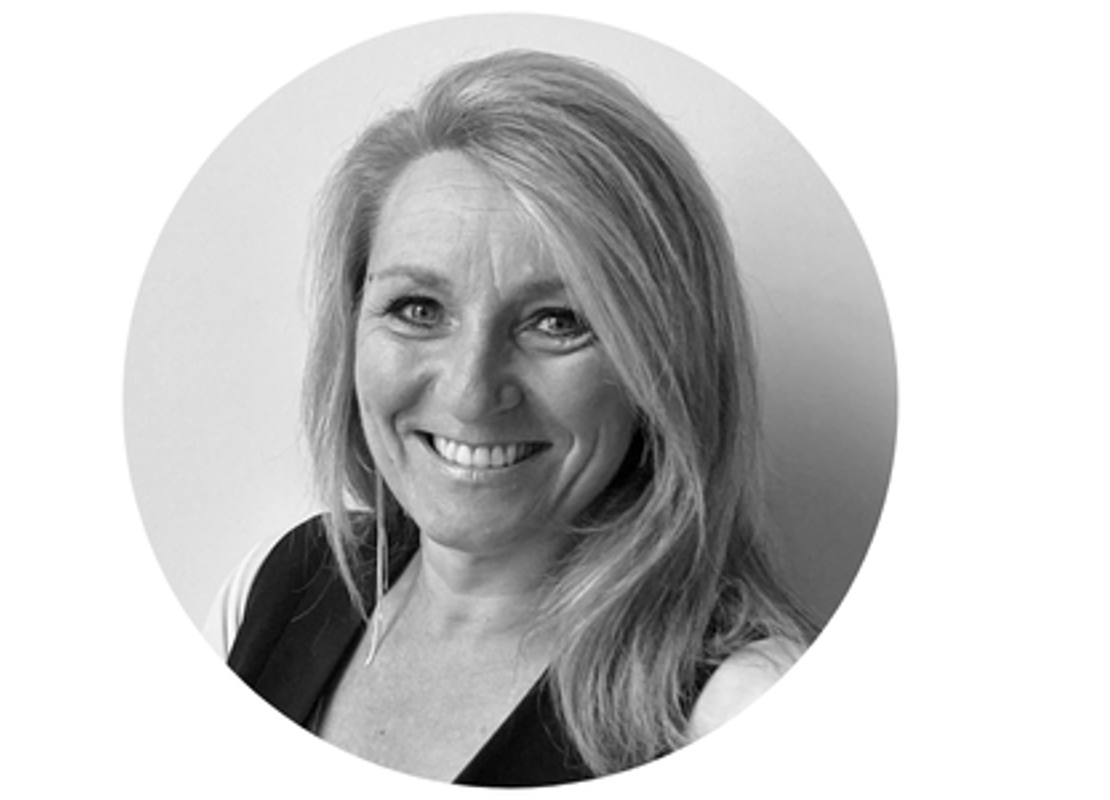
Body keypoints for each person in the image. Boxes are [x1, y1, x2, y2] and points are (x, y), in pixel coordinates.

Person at [204, 49, 817, 786]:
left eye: (558, 321)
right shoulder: (268, 591)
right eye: (418, 309)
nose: (470, 393)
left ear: (665, 364)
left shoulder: (740, 713)